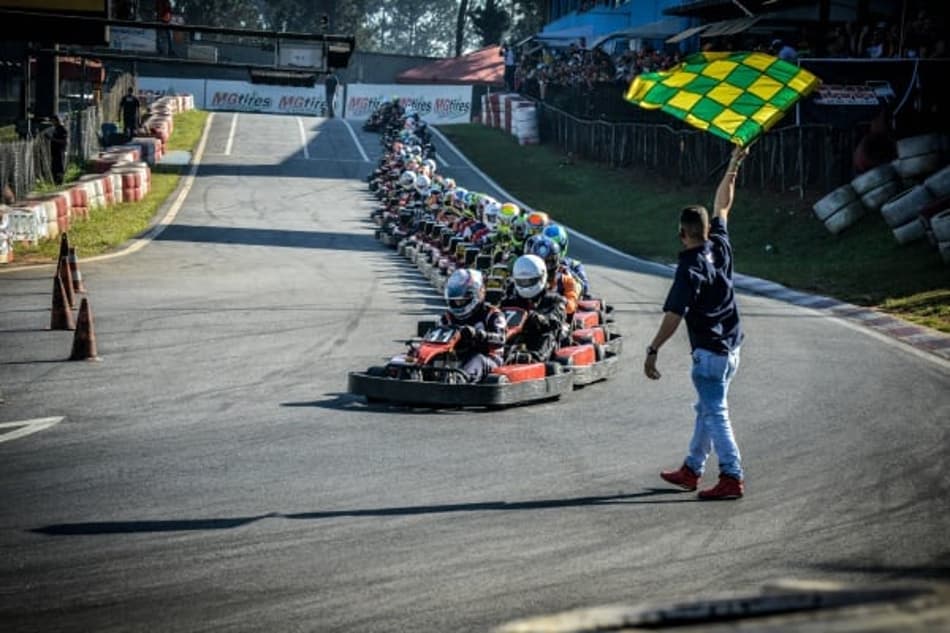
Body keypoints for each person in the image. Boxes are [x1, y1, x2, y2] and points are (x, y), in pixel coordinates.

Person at [644, 144, 750, 501]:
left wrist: (653, 349)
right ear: (705, 228)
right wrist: (733, 164)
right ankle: (691, 468)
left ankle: (731, 476)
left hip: (709, 353)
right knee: (706, 408)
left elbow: (674, 315)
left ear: (683, 232)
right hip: (733, 348)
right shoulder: (720, 243)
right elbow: (723, 202)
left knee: (716, 411)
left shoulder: (689, 268)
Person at [440, 268, 507, 383]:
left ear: (476, 294)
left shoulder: (492, 314)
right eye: (456, 302)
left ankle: (460, 380)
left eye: (462, 301)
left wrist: (477, 334)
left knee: (476, 359)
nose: (458, 304)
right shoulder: (448, 317)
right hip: (457, 356)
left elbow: (501, 339)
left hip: (488, 358)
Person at [501, 254, 567, 363]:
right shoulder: (511, 298)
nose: (525, 285)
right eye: (522, 281)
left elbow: (556, 321)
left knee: (548, 334)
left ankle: (535, 360)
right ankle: (499, 355)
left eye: (529, 281)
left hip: (539, 337)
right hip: (517, 336)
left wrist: (538, 318)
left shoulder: (554, 299)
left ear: (541, 277)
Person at [48, 114, 68, 185]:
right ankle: (55, 181)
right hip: (54, 152)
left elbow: (64, 141)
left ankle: (60, 181)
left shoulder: (62, 129)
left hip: (60, 151)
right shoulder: (55, 129)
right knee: (54, 167)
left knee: (60, 167)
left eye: (53, 121)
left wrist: (53, 139)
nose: (52, 122)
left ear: (57, 121)